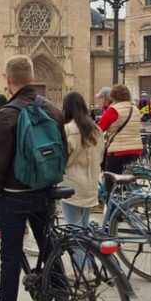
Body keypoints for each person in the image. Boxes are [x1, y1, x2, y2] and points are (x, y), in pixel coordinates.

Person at [0, 55, 71, 301]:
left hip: (14, 196)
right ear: (32, 77)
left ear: (8, 80)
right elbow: (63, 149)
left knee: (10, 256)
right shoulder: (52, 108)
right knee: (49, 246)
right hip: (45, 192)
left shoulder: (7, 112)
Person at [60, 92, 104, 268]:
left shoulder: (68, 130)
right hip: (91, 185)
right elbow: (100, 156)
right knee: (84, 230)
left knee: (75, 233)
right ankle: (89, 267)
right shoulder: (96, 129)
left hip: (72, 186)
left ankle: (84, 272)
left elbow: (63, 158)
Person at [97, 84, 143, 195]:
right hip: (137, 149)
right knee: (120, 176)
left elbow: (98, 129)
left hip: (118, 151)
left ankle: (111, 204)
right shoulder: (135, 109)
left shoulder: (113, 110)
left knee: (110, 181)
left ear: (112, 96)